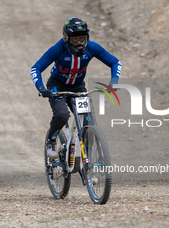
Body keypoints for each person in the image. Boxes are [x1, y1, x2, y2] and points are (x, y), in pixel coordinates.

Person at [30, 17, 121, 159]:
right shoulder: (58, 49)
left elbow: (115, 62)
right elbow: (36, 68)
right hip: (57, 85)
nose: (79, 43)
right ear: (66, 38)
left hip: (78, 87)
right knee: (62, 115)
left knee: (87, 121)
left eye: (82, 39)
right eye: (75, 40)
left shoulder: (92, 47)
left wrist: (113, 82)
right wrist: (41, 88)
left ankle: (87, 161)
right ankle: (51, 140)